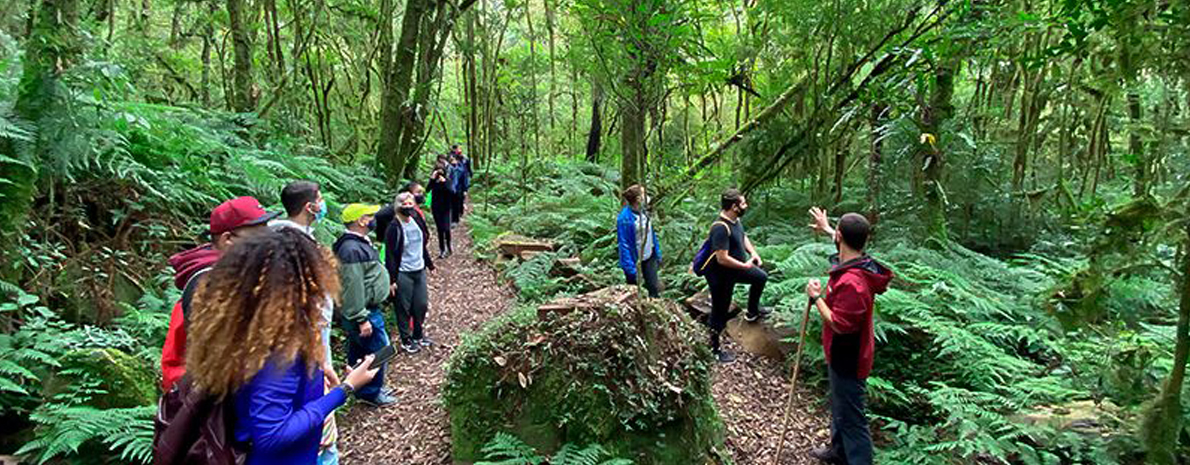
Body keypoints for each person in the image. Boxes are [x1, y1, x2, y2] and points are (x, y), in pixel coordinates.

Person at [185, 228, 380, 465]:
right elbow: (272, 435)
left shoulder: (245, 333)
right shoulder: (280, 352)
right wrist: (346, 389)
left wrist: (314, 380)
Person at [160, 197, 277, 391]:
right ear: (228, 239)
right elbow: (222, 354)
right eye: (259, 235)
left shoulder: (231, 273)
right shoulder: (210, 282)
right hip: (210, 397)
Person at [805, 208, 892, 465]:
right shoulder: (858, 262)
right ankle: (838, 451)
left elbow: (841, 324)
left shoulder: (853, 282)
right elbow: (848, 244)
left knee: (852, 418)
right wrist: (829, 228)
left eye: (837, 232)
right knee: (840, 406)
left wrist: (816, 298)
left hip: (850, 357)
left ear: (841, 237)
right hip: (841, 352)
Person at [268, 181, 341, 464]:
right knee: (319, 429)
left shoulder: (287, 238)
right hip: (304, 353)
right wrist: (322, 359)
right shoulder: (290, 246)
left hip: (312, 349)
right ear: (310, 206)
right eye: (320, 199)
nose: (323, 204)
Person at [332, 204, 397, 407]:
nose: (373, 218)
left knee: (359, 350)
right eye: (369, 216)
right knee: (378, 350)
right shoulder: (351, 249)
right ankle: (370, 393)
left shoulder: (357, 243)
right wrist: (361, 317)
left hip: (366, 310)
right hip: (364, 312)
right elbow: (352, 286)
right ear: (361, 221)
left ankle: (357, 386)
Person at [703, 188, 772, 364]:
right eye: (743, 203)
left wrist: (754, 253)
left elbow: (742, 236)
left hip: (735, 269)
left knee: (760, 277)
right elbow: (722, 258)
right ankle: (714, 349)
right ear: (734, 206)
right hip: (720, 276)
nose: (746, 205)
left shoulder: (735, 220)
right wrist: (744, 265)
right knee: (719, 309)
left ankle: (752, 311)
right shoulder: (720, 227)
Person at [384, 192, 435, 354]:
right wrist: (392, 279)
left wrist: (430, 264)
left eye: (410, 203)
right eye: (404, 204)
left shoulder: (416, 220)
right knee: (403, 307)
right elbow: (390, 255)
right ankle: (406, 339)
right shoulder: (394, 227)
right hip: (403, 271)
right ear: (398, 206)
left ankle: (418, 334)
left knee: (421, 304)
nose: (408, 207)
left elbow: (422, 244)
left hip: (419, 269)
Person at [616, 184, 662, 298]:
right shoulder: (624, 219)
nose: (647, 197)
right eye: (644, 194)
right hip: (635, 258)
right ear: (638, 199)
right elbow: (624, 243)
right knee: (634, 291)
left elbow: (651, 234)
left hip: (649, 255)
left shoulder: (644, 212)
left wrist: (657, 252)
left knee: (653, 287)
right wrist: (630, 268)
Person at [426, 163, 454, 258]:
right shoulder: (434, 182)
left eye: (441, 171)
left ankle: (449, 247)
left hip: (446, 208)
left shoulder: (448, 181)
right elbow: (427, 189)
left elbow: (451, 192)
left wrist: (444, 182)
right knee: (440, 230)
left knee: (446, 228)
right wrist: (432, 179)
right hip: (436, 208)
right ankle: (442, 249)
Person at [449, 145, 471, 224]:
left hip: (459, 187)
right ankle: (452, 218)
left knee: (458, 201)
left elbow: (466, 173)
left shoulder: (464, 160)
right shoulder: (448, 165)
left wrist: (465, 188)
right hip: (450, 187)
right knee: (452, 203)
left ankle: (456, 218)